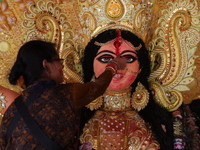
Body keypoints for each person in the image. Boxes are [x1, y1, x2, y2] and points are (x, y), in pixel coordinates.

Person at [0, 40, 126, 150]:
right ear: (46, 64)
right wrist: (113, 66)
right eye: (58, 60)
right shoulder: (67, 94)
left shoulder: (12, 110)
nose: (62, 65)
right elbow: (98, 86)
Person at [79, 29, 174, 150]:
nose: (117, 65)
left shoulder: (161, 122)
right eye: (106, 59)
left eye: (128, 58)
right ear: (91, 65)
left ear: (140, 67)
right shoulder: (75, 119)